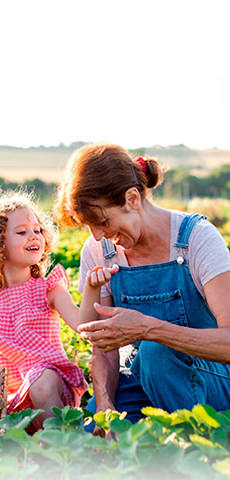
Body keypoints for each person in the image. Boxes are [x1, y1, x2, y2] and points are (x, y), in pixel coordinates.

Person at [53, 142, 230, 435]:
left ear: (132, 198)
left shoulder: (197, 239)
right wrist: (105, 406)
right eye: (89, 227)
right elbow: (104, 345)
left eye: (102, 221)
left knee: (155, 355)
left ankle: (199, 445)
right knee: (95, 442)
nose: (98, 236)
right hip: (136, 377)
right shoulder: (99, 250)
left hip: (209, 377)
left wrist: (148, 329)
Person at [0, 189, 116, 429]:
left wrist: (91, 288)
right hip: (7, 394)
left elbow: (81, 324)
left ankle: (62, 446)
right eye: (22, 232)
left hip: (49, 384)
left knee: (40, 382)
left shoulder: (48, 288)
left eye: (37, 230)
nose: (33, 236)